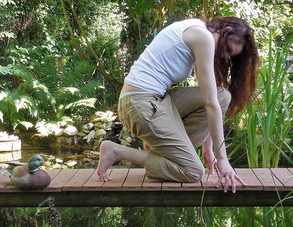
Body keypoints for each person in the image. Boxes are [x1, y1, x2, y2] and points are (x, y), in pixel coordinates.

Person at [96, 16, 259, 192]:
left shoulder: (197, 30)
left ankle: (161, 151)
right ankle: (115, 151)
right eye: (227, 50)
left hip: (156, 100)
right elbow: (210, 104)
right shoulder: (203, 37)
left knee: (223, 96)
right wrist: (222, 159)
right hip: (138, 104)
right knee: (192, 171)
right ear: (226, 31)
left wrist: (208, 150)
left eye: (229, 55)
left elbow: (209, 98)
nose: (224, 56)